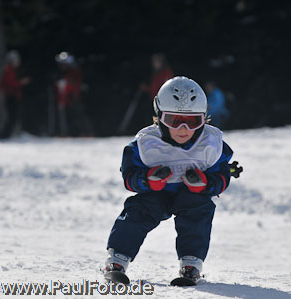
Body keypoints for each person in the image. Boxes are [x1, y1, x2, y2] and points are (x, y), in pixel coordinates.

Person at [104, 76, 234, 284]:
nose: (183, 129)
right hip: (156, 194)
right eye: (174, 121)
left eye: (192, 122)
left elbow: (222, 176)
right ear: (159, 117)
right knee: (137, 211)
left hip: (192, 195)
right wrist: (147, 180)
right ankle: (117, 260)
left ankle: (191, 264)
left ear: (203, 119)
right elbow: (129, 177)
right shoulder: (146, 144)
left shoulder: (211, 145)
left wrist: (206, 184)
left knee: (199, 210)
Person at [53, 51, 94, 137]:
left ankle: (87, 133)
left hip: (74, 97)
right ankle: (67, 133)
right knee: (67, 115)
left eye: (63, 64)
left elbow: (76, 84)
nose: (61, 66)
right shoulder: (63, 73)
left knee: (79, 115)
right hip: (66, 98)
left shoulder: (75, 71)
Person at [0, 50, 31, 138]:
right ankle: (5, 135)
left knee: (13, 116)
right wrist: (21, 83)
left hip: (13, 96)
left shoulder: (12, 71)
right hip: (11, 96)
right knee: (12, 117)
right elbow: (9, 84)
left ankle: (7, 134)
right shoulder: (8, 71)